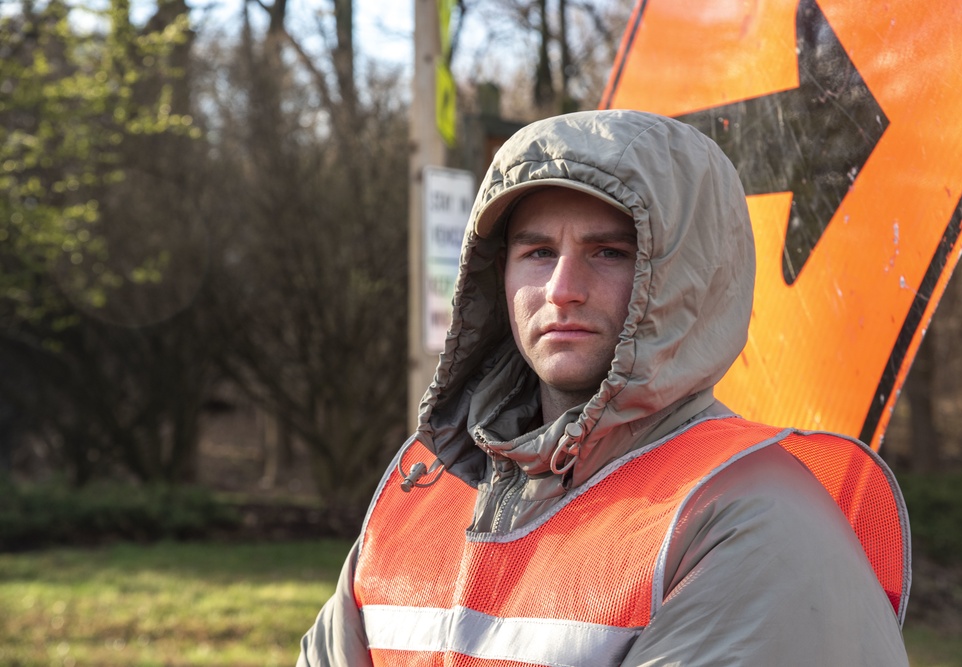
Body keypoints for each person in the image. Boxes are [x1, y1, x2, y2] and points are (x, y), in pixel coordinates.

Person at [297, 110, 911, 666]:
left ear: (688, 278)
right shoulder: (421, 486)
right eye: (537, 252)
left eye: (610, 252)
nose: (563, 287)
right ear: (495, 274)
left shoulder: (747, 514)